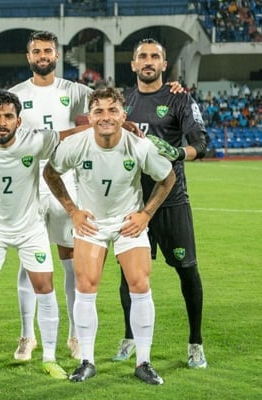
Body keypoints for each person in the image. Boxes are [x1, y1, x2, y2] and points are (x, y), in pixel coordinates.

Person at [43, 86, 176, 385]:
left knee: (140, 284)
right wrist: (73, 210)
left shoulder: (138, 146)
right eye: (99, 111)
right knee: (86, 286)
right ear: (88, 117)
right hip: (92, 223)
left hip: (128, 220)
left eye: (112, 110)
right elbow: (50, 173)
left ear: (123, 115)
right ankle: (87, 360)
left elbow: (167, 177)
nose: (106, 117)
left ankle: (143, 362)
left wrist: (146, 214)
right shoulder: (76, 144)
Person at [0, 91, 77, 381]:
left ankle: (49, 358)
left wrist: (108, 126)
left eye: (8, 116)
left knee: (45, 288)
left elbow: (67, 134)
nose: (2, 122)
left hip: (30, 229)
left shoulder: (34, 140)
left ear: (18, 121)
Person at [113, 38, 210, 369]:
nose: (148, 61)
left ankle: (195, 342)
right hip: (131, 202)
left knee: (187, 271)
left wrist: (178, 152)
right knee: (130, 275)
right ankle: (128, 337)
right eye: (143, 57)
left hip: (171, 202)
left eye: (155, 56)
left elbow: (201, 143)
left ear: (164, 64)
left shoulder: (179, 98)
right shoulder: (121, 100)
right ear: (133, 64)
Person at [8, 30, 92, 361]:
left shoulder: (76, 91)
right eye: (36, 51)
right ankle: (27, 336)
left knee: (71, 262)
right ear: (28, 57)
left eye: (48, 51)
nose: (42, 55)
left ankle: (73, 335)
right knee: (30, 261)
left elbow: (116, 103)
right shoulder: (14, 95)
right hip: (28, 183)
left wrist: (169, 87)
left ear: (57, 56)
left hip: (65, 183)